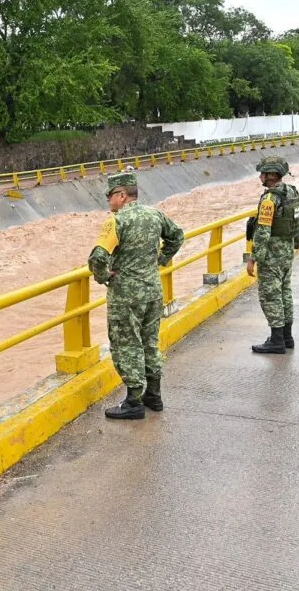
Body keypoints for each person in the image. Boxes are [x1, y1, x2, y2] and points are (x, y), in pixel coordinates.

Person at [88, 171, 185, 420]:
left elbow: (98, 257)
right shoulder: (155, 214)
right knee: (149, 342)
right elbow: (177, 236)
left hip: (126, 295)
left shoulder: (116, 221)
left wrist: (105, 277)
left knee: (126, 344)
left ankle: (133, 401)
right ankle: (153, 395)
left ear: (122, 195)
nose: (109, 201)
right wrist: (161, 260)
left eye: (111, 196)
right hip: (153, 291)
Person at [246, 155, 299, 354]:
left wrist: (253, 259)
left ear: (271, 175)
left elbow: (262, 232)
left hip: (272, 255)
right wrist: (294, 245)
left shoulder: (270, 199)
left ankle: (277, 340)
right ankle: (287, 337)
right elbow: (298, 223)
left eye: (263, 173)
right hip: (287, 252)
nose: (260, 176)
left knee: (271, 296)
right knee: (285, 293)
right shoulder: (291, 192)